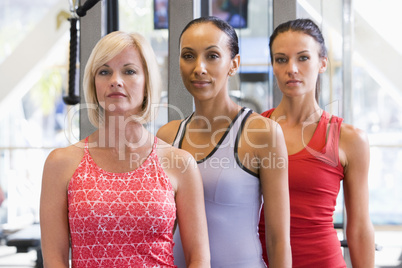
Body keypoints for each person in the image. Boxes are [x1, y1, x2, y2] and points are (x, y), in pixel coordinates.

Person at [40, 31, 210, 268]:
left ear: (147, 83)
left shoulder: (179, 163)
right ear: (93, 83)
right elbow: (55, 260)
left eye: (129, 71)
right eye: (104, 71)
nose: (115, 80)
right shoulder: (61, 163)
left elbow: (199, 259)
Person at [157, 16, 292, 267]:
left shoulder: (263, 134)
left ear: (234, 64)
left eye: (212, 56)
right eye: (188, 56)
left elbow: (278, 239)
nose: (199, 67)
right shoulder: (166, 137)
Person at [258, 18, 375, 267]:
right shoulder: (252, 130)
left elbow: (360, 228)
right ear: (273, 66)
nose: (292, 68)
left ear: (322, 63)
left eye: (303, 58)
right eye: (281, 59)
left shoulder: (349, 139)